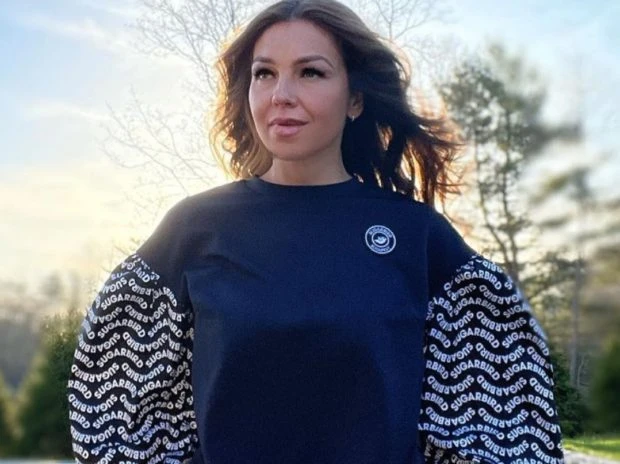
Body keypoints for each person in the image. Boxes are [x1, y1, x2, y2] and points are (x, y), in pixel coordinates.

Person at [67, 0, 565, 462]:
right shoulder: (196, 228)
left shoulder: (418, 237)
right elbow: (110, 393)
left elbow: (506, 419)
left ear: (355, 99)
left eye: (310, 72)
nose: (281, 95)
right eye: (264, 74)